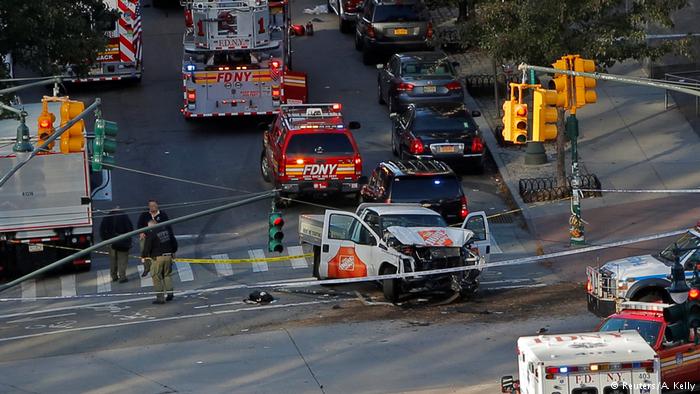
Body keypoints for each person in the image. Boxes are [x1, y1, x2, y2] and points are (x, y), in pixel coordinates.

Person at [141, 220, 178, 304]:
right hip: (168, 256)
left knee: (156, 276)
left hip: (157, 258)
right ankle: (170, 293)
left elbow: (147, 247)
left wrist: (143, 256)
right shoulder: (167, 231)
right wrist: (173, 252)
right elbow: (174, 243)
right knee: (167, 275)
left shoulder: (151, 234)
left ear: (150, 226)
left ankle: (160, 298)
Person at [99, 207, 134, 283]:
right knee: (122, 260)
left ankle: (114, 276)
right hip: (123, 242)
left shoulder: (107, 217)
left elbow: (102, 230)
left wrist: (106, 240)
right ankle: (122, 277)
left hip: (111, 242)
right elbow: (130, 228)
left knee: (113, 260)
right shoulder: (124, 216)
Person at [137, 200, 169, 277]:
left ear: (157, 206)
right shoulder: (144, 215)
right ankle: (147, 268)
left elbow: (167, 226)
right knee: (144, 252)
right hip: (146, 236)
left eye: (154, 205)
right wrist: (141, 232)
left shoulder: (162, 214)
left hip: (158, 237)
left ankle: (159, 269)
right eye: (151, 206)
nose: (152, 207)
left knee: (158, 253)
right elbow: (139, 225)